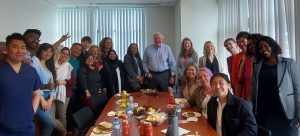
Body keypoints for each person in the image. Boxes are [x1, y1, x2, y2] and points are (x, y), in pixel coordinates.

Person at [251, 36, 300, 136]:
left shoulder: (289, 63)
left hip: (285, 111)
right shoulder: (257, 66)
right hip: (264, 111)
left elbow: (298, 89)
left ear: (273, 46)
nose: (263, 49)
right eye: (260, 48)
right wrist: (249, 107)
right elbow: (253, 88)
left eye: (266, 45)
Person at [0, 33, 41, 135]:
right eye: (15, 47)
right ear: (7, 48)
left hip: (27, 126)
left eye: (23, 48)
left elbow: (36, 93)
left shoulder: (31, 71)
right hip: (3, 128)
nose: (20, 51)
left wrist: (32, 112)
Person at [32, 43, 66, 136]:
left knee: (51, 123)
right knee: (50, 123)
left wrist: (50, 100)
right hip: (38, 97)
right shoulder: (35, 61)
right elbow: (33, 84)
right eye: (45, 51)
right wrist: (42, 100)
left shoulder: (49, 67)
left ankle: (64, 132)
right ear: (40, 51)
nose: (48, 53)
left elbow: (52, 86)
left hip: (48, 98)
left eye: (51, 51)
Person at [53, 47, 76, 127]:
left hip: (65, 94)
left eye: (67, 54)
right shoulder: (52, 64)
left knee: (61, 115)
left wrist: (64, 82)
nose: (65, 55)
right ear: (59, 53)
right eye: (63, 53)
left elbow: (73, 81)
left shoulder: (69, 66)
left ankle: (63, 133)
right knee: (52, 116)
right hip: (51, 92)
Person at [236, 34, 263, 100]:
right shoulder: (247, 60)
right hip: (249, 98)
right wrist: (238, 100)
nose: (252, 46)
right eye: (249, 45)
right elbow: (240, 81)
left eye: (254, 43)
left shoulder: (268, 59)